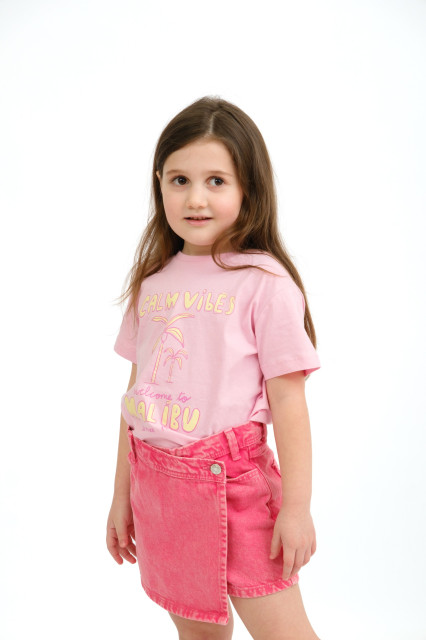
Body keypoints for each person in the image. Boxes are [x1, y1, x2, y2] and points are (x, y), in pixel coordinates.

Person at [106, 96, 323, 640]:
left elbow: (289, 403)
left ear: (248, 188)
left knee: (284, 633)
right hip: (159, 489)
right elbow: (136, 400)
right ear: (159, 183)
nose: (195, 198)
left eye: (216, 181)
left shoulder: (264, 284)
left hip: (236, 488)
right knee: (199, 634)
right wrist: (121, 496)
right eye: (179, 180)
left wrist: (297, 509)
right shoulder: (152, 284)